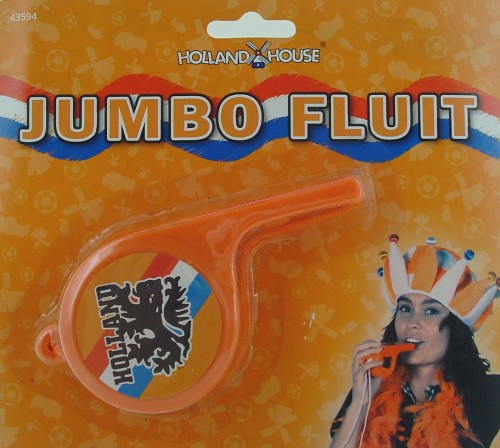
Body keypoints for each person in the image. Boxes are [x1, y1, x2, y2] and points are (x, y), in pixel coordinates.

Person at [329, 235, 499, 448]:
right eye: (405, 308)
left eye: (430, 311)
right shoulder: (371, 384)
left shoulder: (490, 391)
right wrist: (361, 401)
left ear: (455, 328)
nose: (412, 323)